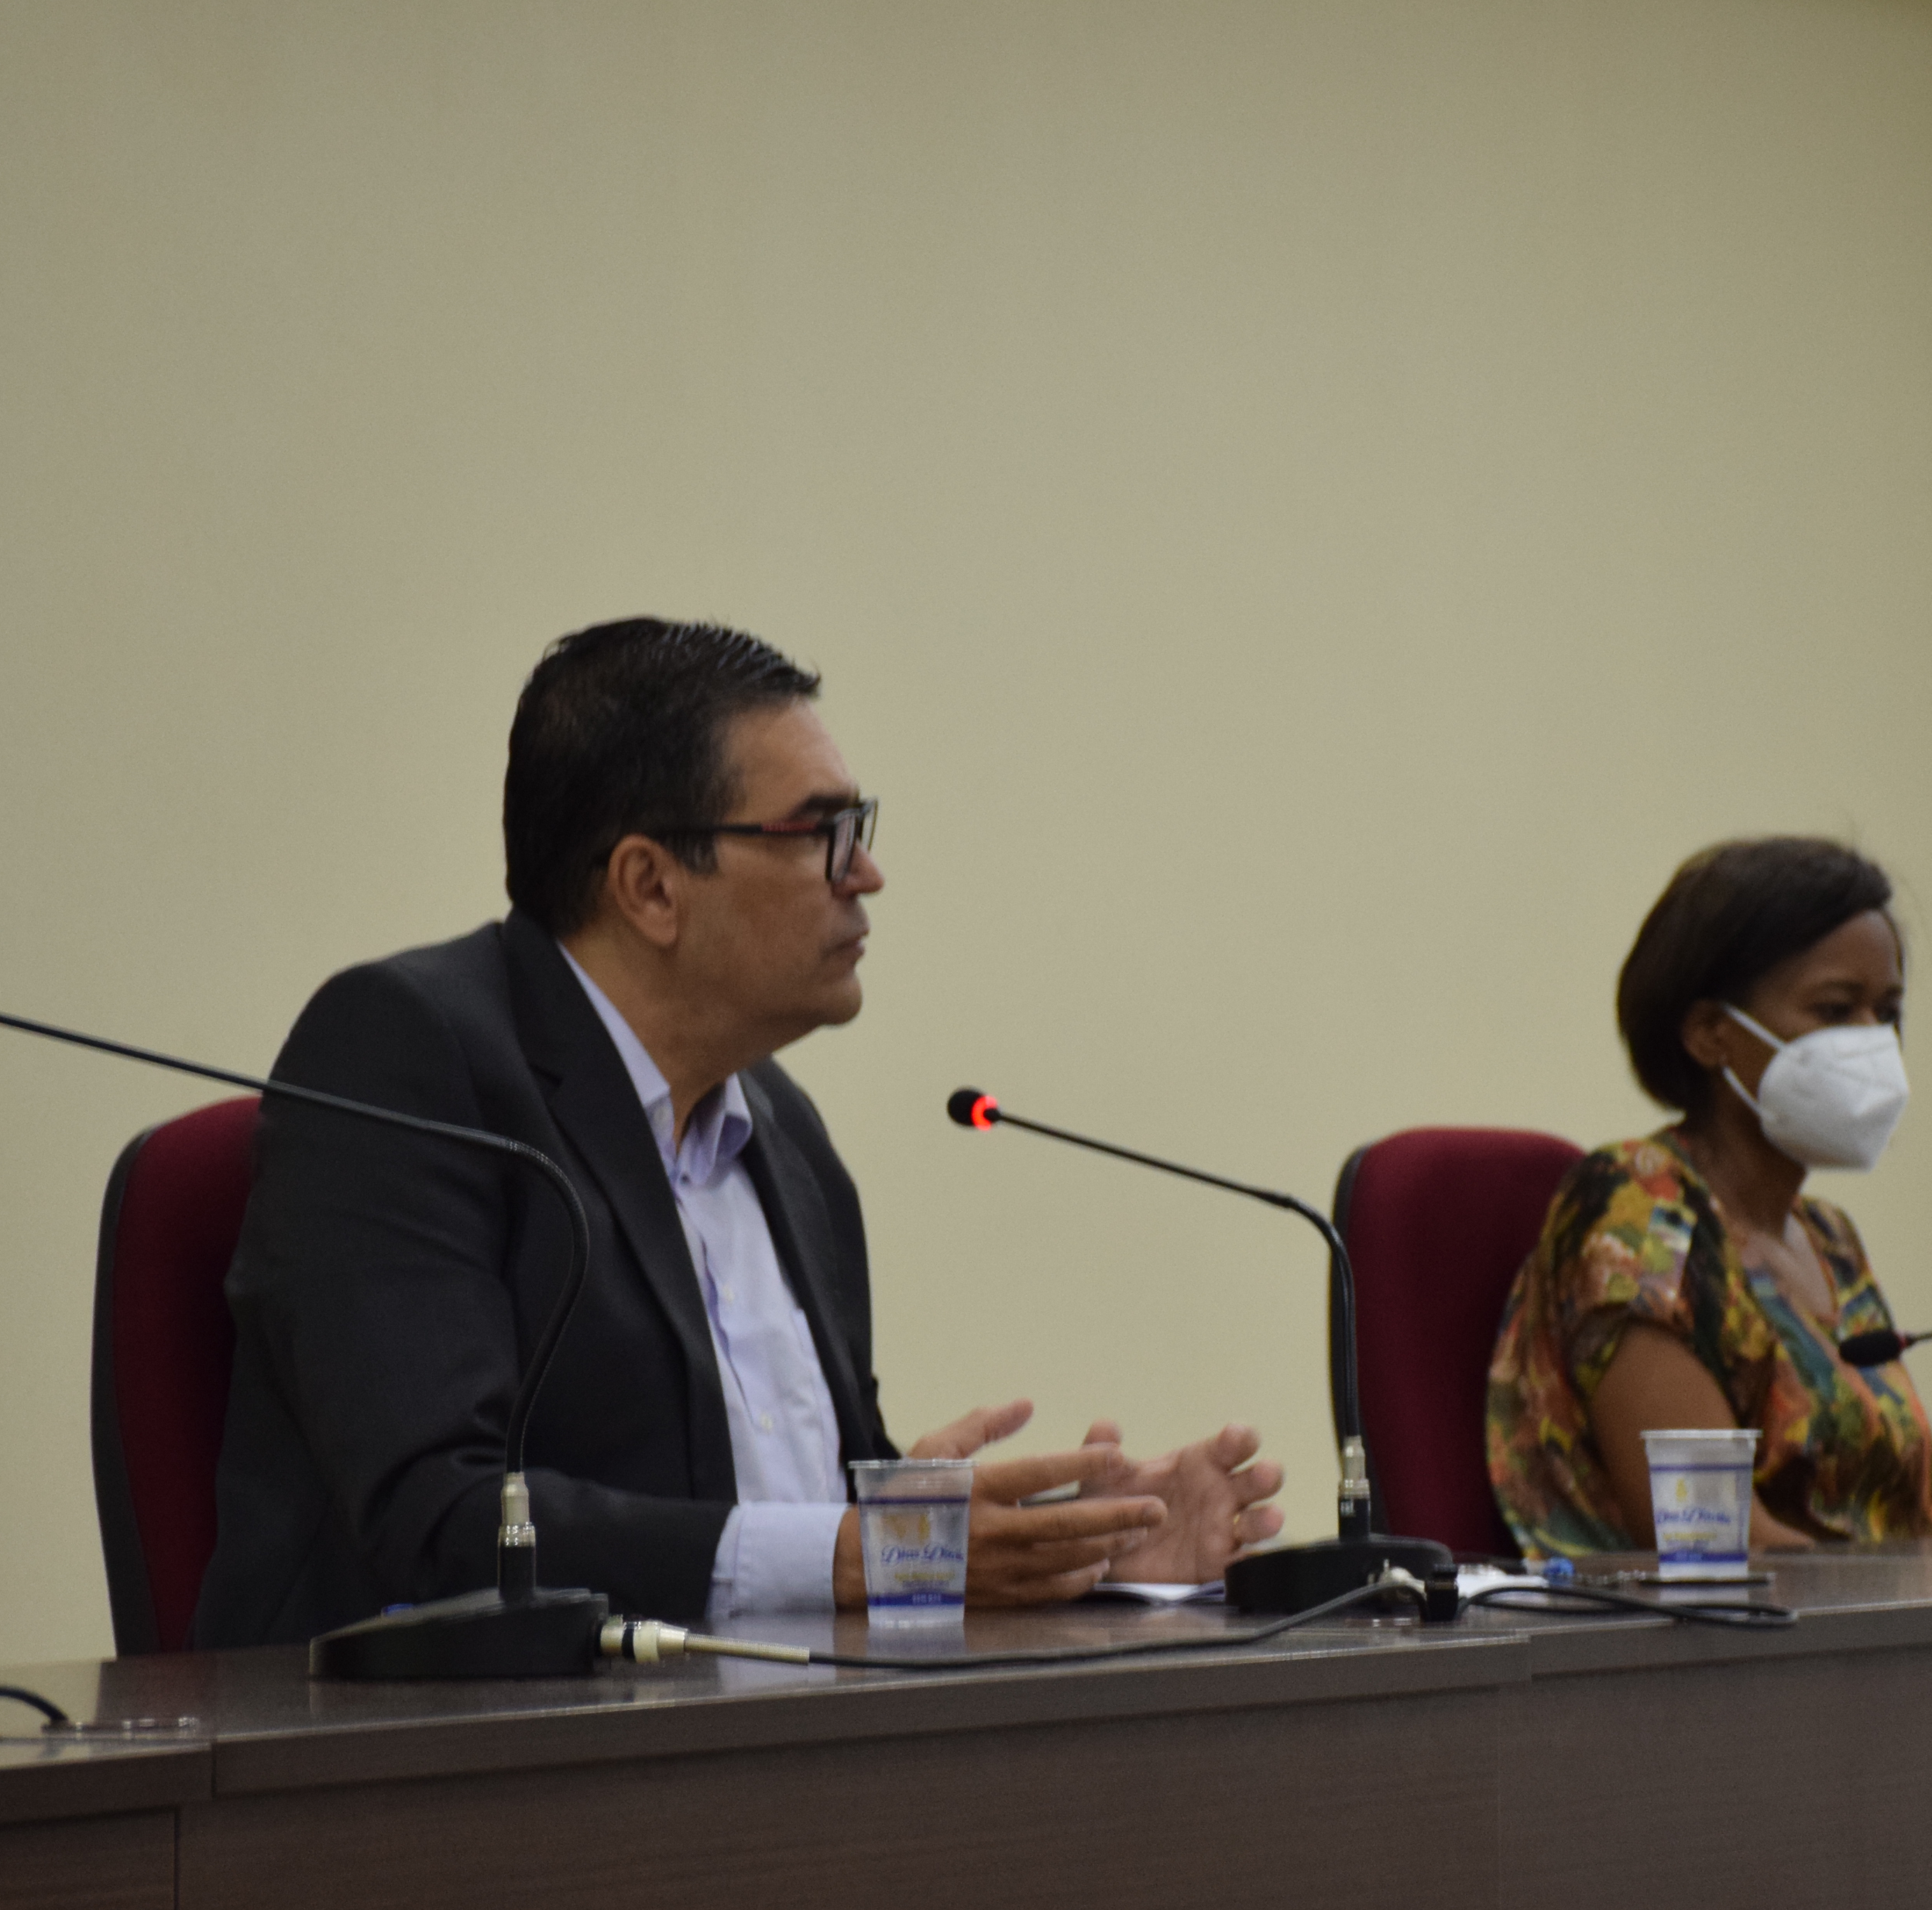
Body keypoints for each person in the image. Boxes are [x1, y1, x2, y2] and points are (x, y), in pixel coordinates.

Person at [197, 619, 1283, 1647]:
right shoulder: (410, 1056)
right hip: (434, 1756)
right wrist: (863, 1552)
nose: (866, 874)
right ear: (650, 886)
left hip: (758, 1736)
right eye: (822, 833)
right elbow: (440, 1517)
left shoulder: (778, 1128)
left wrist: (1070, 1549)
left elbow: (797, 1536)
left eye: (860, 829)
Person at [1484, 836, 1932, 1562]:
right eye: (1835, 1009)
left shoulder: (1829, 1238)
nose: (1873, 1041)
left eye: (1887, 1011)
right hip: (1715, 1632)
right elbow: (1708, 1539)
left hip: (1870, 1624)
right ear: (1710, 1035)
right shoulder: (1641, 1209)